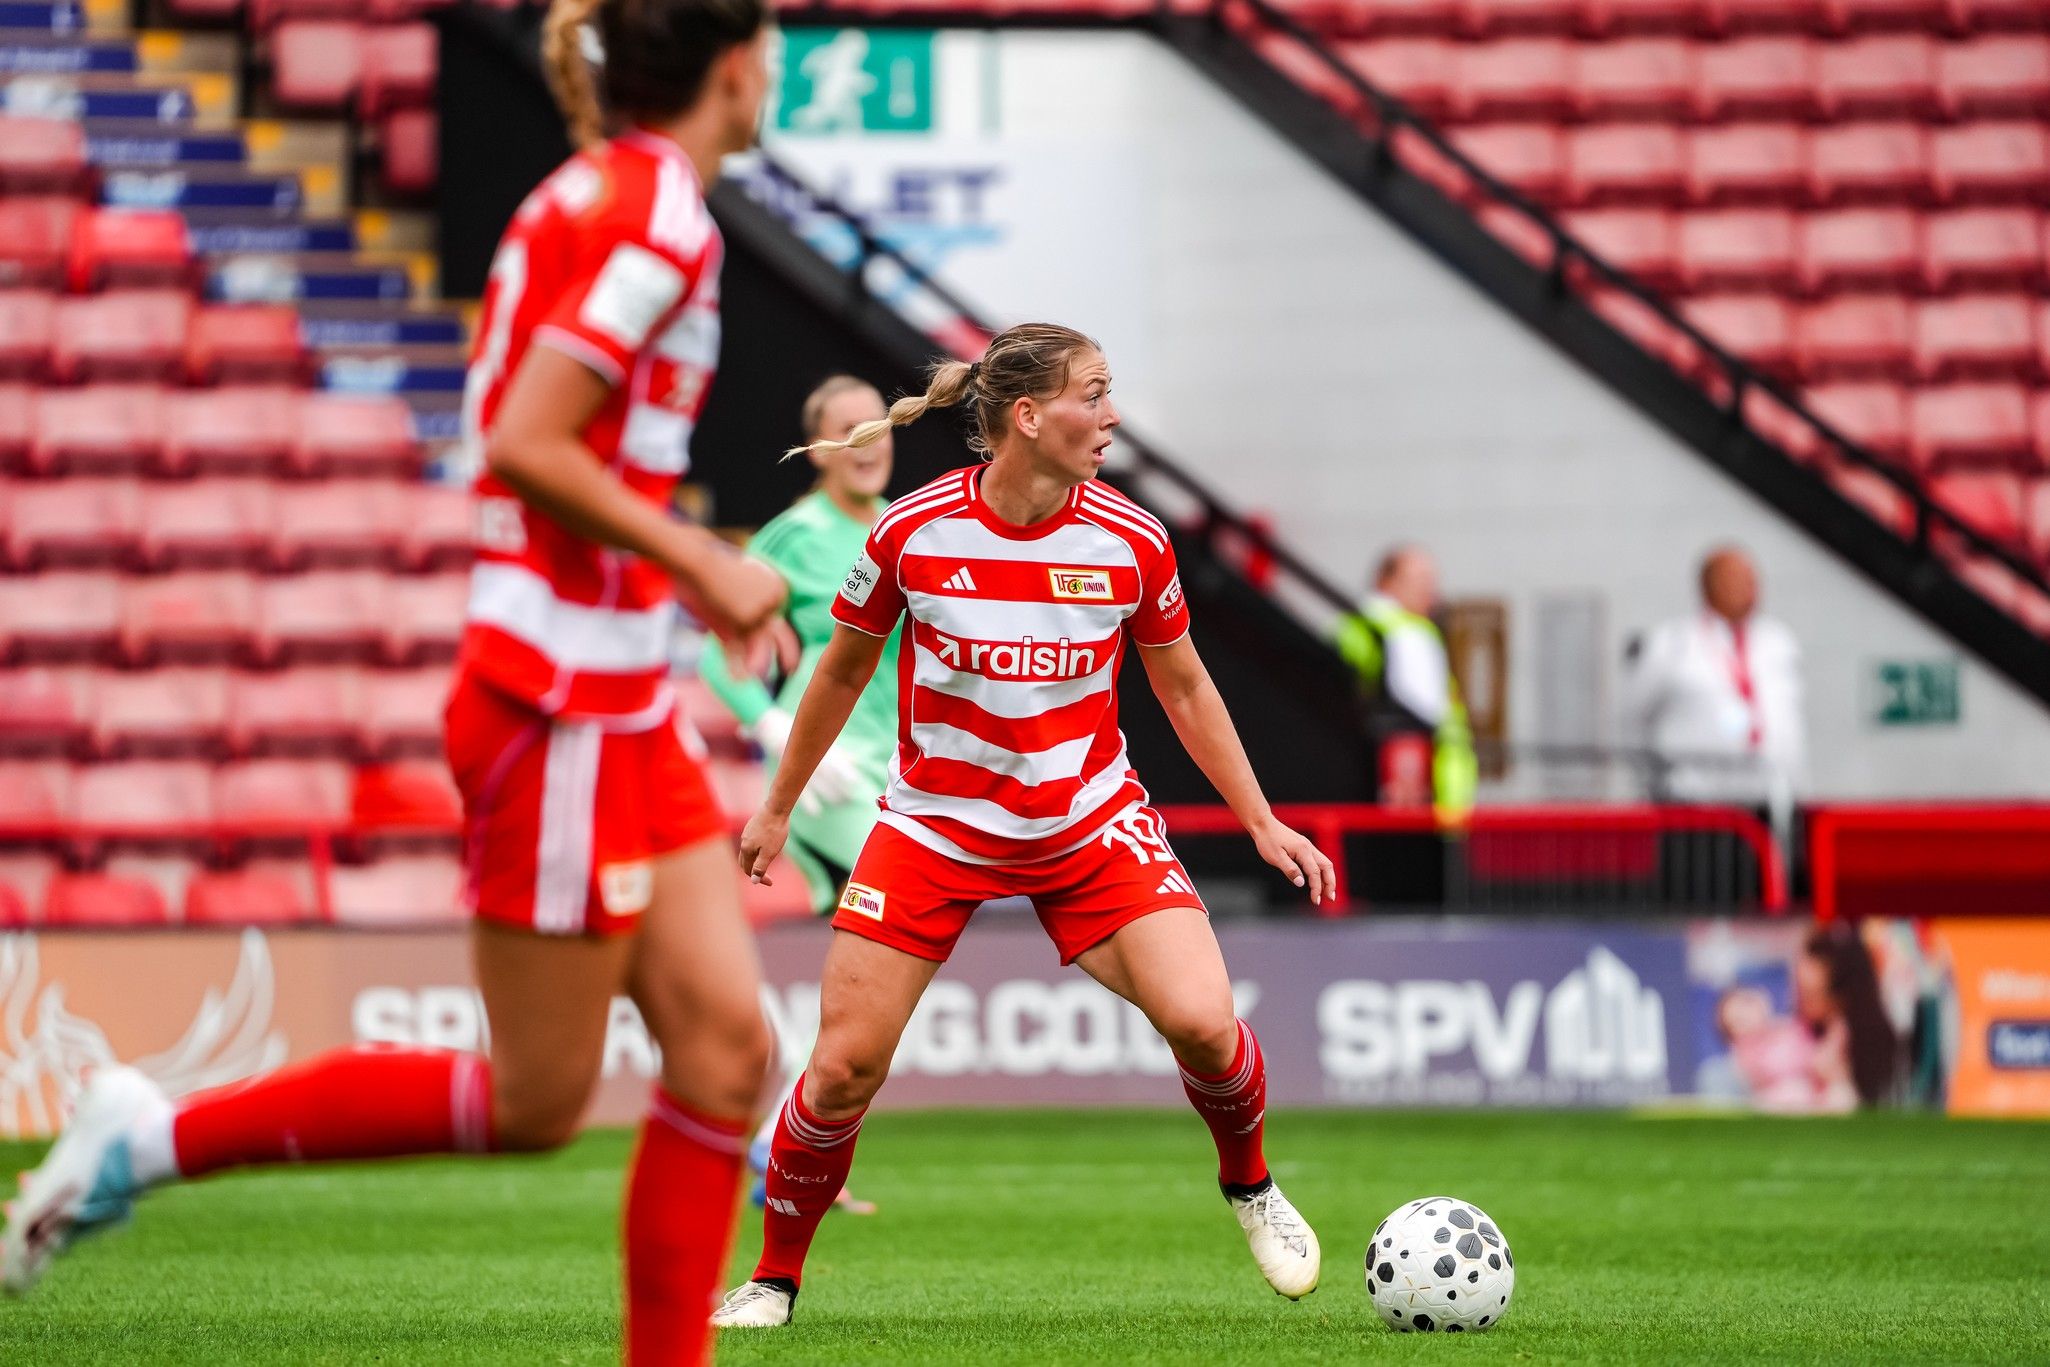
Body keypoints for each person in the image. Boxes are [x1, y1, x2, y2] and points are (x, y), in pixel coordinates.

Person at [3, 2, 784, 1360]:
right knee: (540, 1101)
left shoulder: (594, 191)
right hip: (557, 704)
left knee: (725, 1052)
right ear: (735, 66)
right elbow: (523, 439)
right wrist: (703, 564)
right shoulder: (657, 216)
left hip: (611, 698)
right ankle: (149, 1136)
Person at [710, 323, 1337, 1330]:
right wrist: (780, 802)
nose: (1113, 416)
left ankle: (1252, 1184)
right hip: (934, 827)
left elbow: (1181, 683)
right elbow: (838, 668)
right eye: (1094, 394)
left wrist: (1258, 817)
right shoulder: (911, 531)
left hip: (1089, 822)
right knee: (840, 1069)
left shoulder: (1132, 538)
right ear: (1027, 416)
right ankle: (773, 1279)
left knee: (1202, 1021)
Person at [699, 375, 899, 1215]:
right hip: (830, 770)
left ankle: (784, 1139)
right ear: (817, 448)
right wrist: (780, 737)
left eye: (877, 426)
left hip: (903, 766)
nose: (866, 441)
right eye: (846, 429)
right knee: (900, 933)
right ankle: (784, 1136)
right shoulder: (791, 537)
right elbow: (718, 657)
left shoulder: (909, 522)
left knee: (869, 962)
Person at [1622, 545, 1805, 807]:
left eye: (1752, 579)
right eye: (1736, 579)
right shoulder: (1673, 643)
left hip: (1770, 799)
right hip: (1696, 804)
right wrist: (1656, 783)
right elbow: (1632, 720)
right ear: (1708, 586)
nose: (1750, 588)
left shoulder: (1777, 642)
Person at [1335, 545, 1476, 820]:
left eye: (1431, 581)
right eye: (1419, 580)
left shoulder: (1409, 628)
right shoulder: (1405, 633)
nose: (1430, 590)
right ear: (1385, 582)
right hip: (1423, 784)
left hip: (1435, 781)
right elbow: (1430, 711)